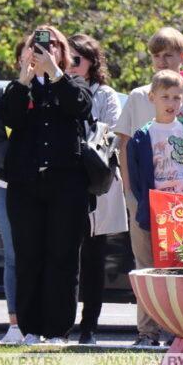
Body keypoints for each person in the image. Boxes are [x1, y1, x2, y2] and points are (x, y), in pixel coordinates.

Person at [0, 25, 92, 345]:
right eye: (36, 45)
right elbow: (10, 118)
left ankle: (57, 329)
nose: (43, 49)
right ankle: (30, 327)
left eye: (53, 45)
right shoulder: (17, 87)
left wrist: (54, 73)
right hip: (25, 185)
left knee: (62, 256)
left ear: (63, 52)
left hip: (67, 184)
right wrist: (25, 79)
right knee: (28, 255)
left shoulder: (73, 82)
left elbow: (79, 106)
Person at [114, 27, 183, 348]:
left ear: (182, 58)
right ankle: (147, 332)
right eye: (156, 55)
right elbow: (122, 143)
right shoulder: (139, 96)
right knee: (146, 263)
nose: (162, 60)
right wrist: (129, 191)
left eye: (169, 54)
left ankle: (179, 332)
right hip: (144, 194)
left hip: (182, 196)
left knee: (180, 263)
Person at [127, 71, 183, 342]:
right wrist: (146, 205)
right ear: (152, 98)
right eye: (165, 96)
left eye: (177, 97)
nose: (171, 102)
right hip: (154, 209)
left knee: (181, 271)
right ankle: (147, 332)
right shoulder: (142, 136)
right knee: (150, 272)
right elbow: (137, 179)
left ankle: (178, 331)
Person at [67, 33, 128, 345]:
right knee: (63, 258)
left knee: (93, 259)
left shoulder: (105, 95)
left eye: (78, 59)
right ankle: (59, 323)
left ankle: (89, 326)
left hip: (96, 183)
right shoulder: (56, 88)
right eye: (68, 58)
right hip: (63, 184)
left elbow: (110, 135)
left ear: (92, 62)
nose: (72, 65)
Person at [0, 40, 31, 344]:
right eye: (28, 50)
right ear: (19, 58)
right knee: (14, 255)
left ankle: (40, 322)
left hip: (44, 189)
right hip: (7, 186)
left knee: (43, 254)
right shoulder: (5, 96)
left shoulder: (55, 91)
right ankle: (15, 324)